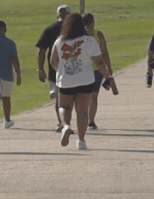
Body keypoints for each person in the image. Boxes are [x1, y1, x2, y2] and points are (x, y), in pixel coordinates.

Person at [50, 13, 116, 149]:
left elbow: (53, 62)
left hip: (66, 80)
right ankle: (81, 140)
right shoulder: (90, 40)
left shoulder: (60, 41)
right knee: (82, 111)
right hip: (86, 79)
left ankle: (66, 126)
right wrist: (108, 77)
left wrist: (61, 70)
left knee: (64, 107)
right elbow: (100, 62)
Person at [37, 5, 70, 132]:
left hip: (54, 68)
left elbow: (42, 51)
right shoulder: (75, 29)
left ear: (57, 16)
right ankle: (67, 122)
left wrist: (40, 69)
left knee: (59, 97)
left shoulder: (50, 29)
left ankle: (61, 123)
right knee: (71, 97)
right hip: (73, 67)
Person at [82, 13, 114, 131]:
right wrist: (108, 67)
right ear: (92, 23)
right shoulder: (98, 35)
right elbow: (104, 52)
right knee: (94, 96)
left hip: (82, 69)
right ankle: (91, 121)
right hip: (97, 69)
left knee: (83, 97)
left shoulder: (79, 36)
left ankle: (82, 119)